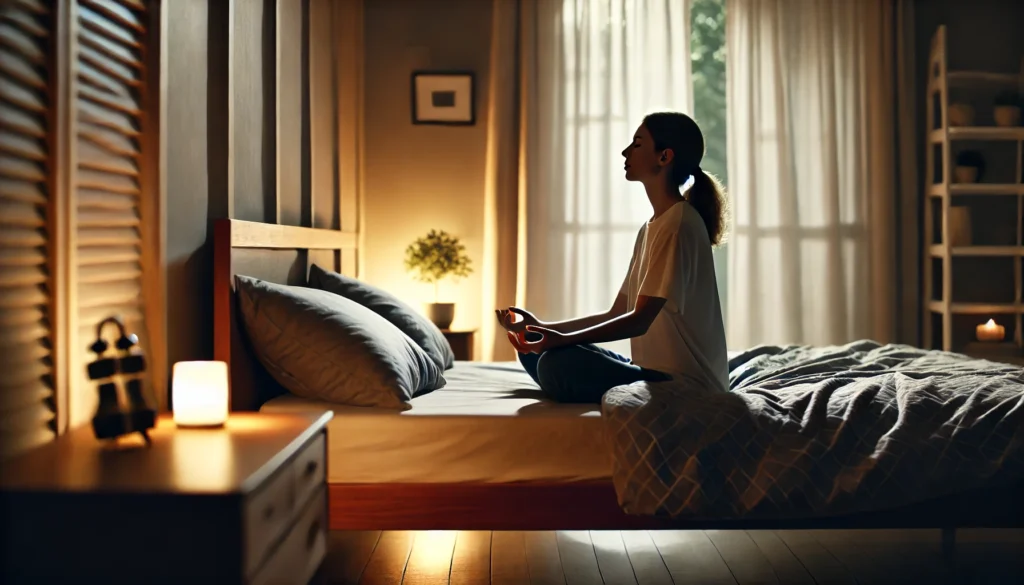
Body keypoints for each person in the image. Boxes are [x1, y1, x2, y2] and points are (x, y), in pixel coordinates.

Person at [495, 112, 730, 403]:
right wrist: (542, 329)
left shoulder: (678, 224)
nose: (625, 151)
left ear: (664, 157)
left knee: (555, 364)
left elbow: (638, 321)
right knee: (533, 346)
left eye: (637, 144)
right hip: (649, 371)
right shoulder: (652, 227)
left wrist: (561, 340)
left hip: (683, 384)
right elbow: (617, 313)